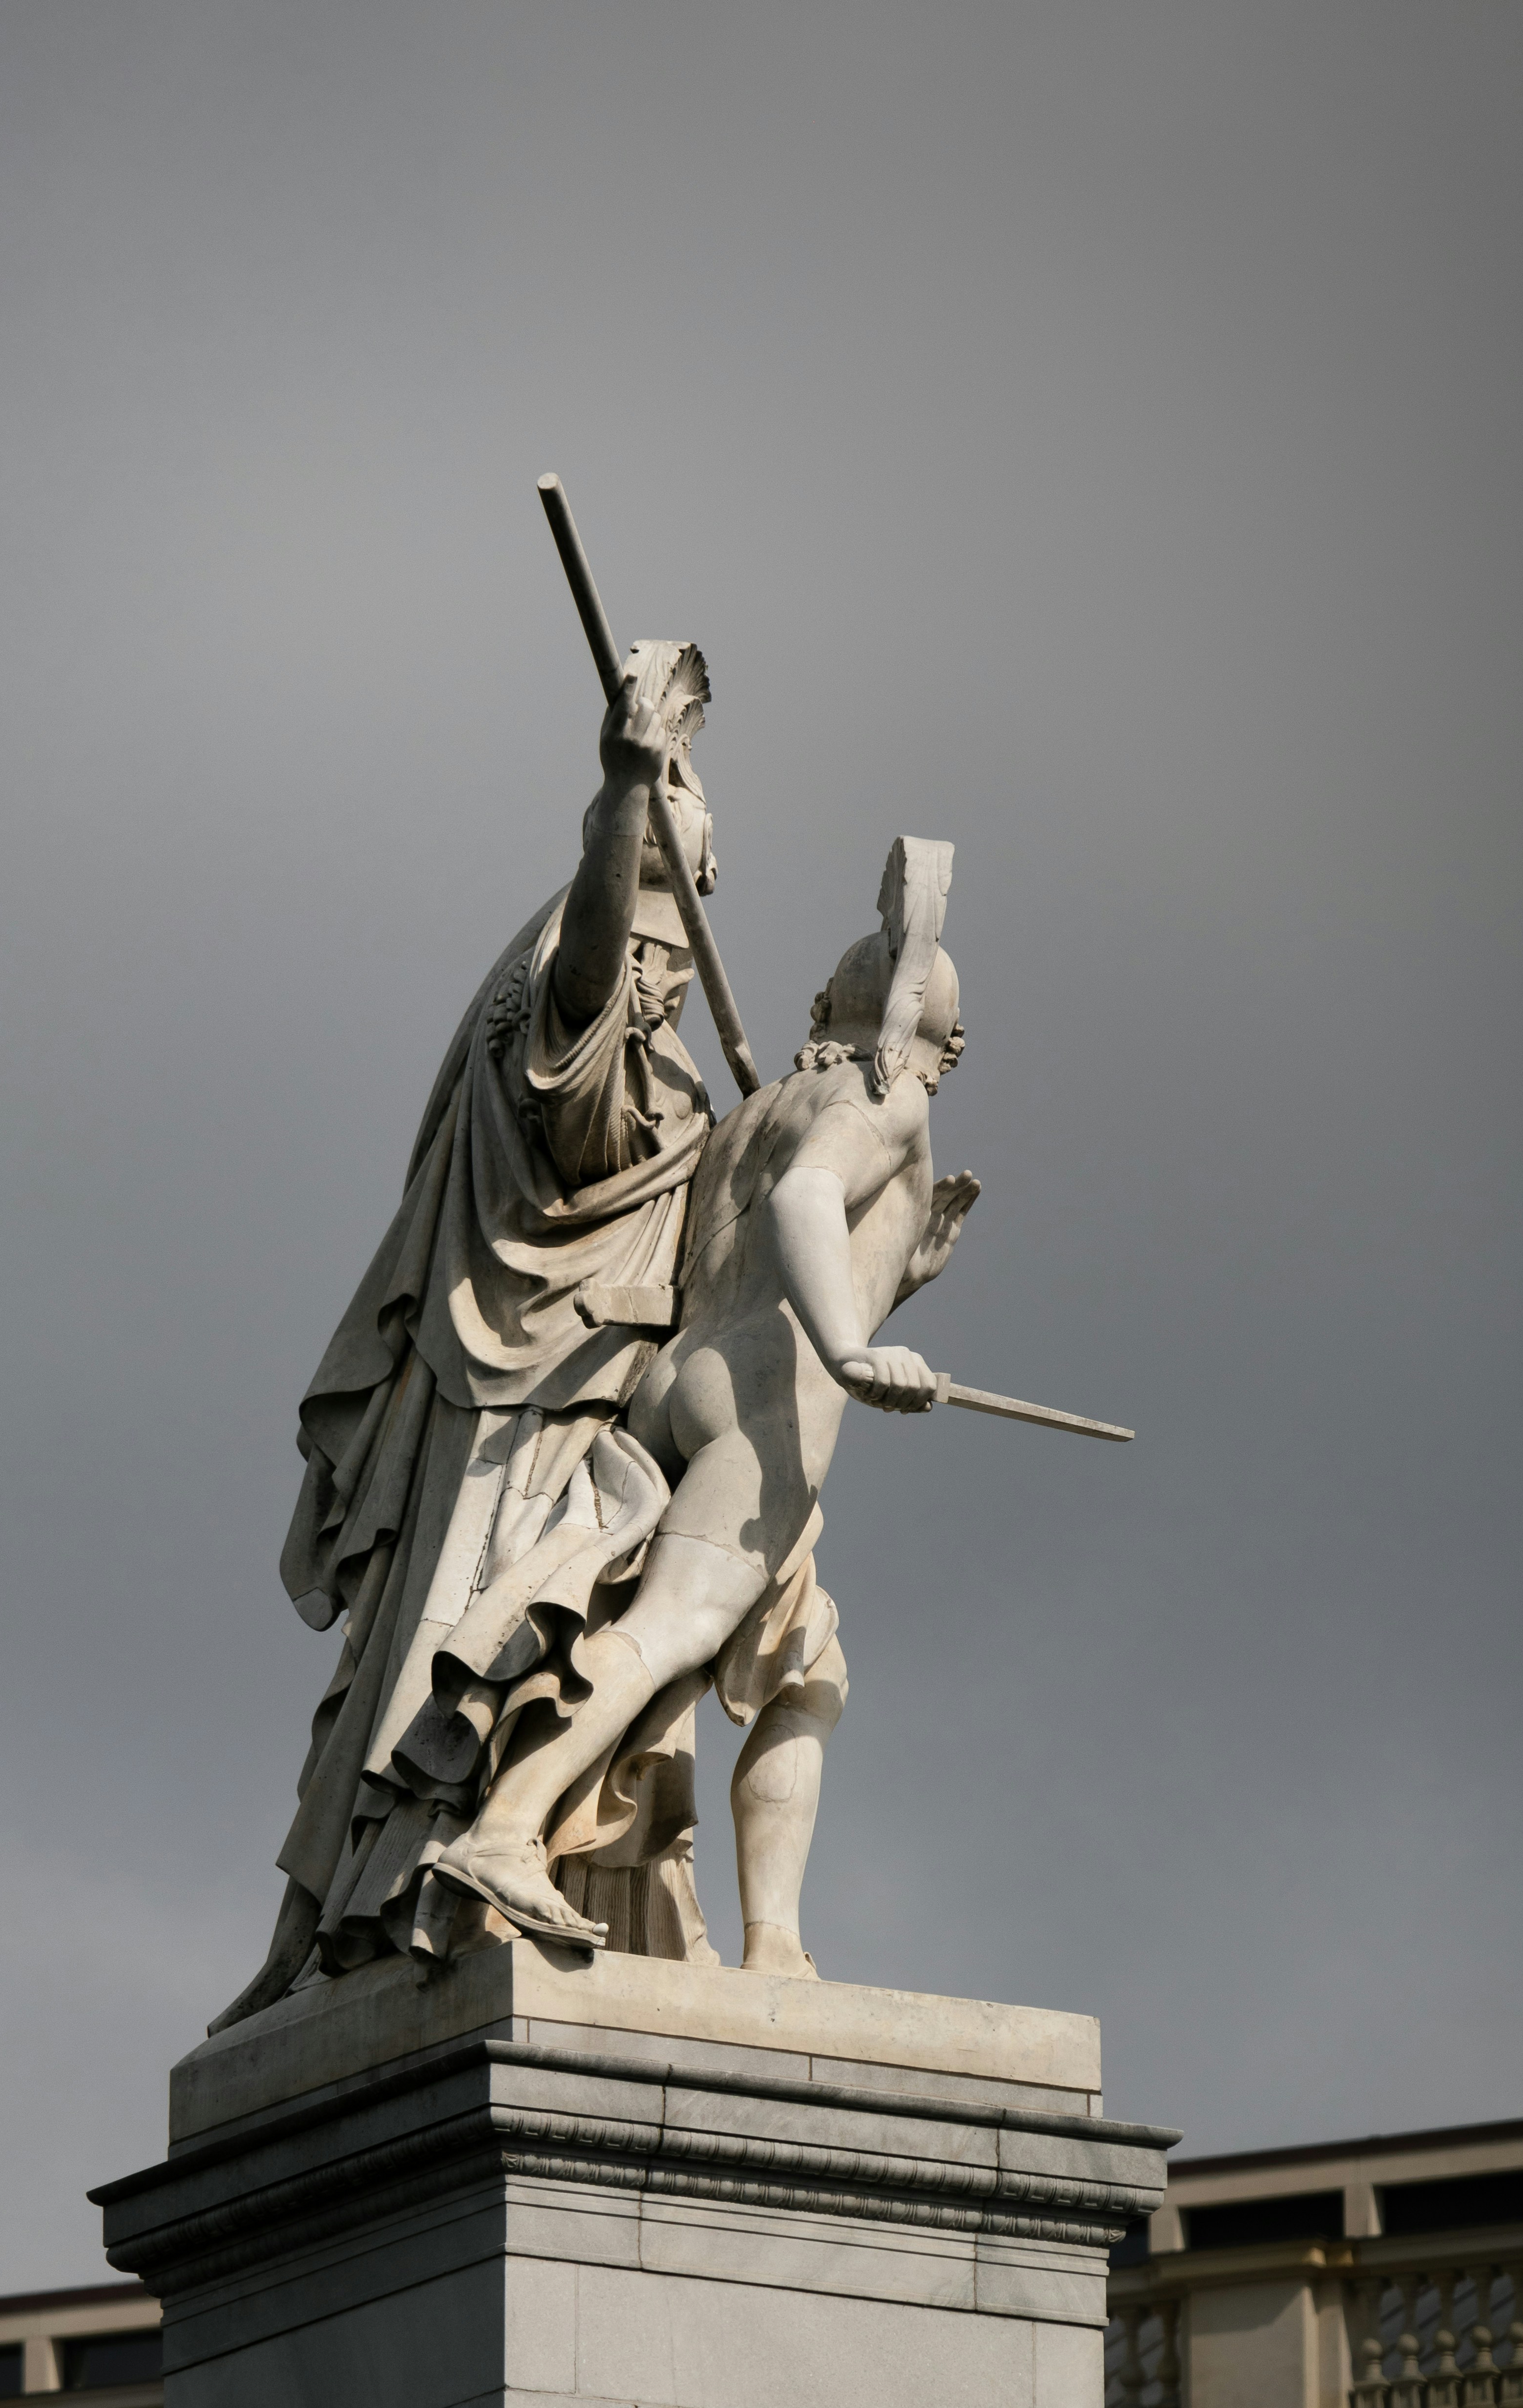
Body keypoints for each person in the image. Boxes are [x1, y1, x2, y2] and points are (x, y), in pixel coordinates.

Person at [214, 644, 725, 2025]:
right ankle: (422, 1891)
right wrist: (625, 794)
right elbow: (593, 969)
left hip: (548, 1400)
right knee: (471, 1657)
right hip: (534, 1412)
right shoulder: (583, 1033)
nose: (685, 958)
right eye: (679, 921)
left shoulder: (636, 1054)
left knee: (453, 1664)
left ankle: (371, 1905)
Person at [434, 837, 977, 1975]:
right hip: (767, 1412)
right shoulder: (891, 1101)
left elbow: (785, 1225)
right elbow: (809, 1199)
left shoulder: (764, 1104)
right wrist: (852, 1348)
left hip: (679, 1389)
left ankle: (775, 1948)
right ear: (946, 1046)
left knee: (807, 1669)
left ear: (828, 1002)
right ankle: (504, 1829)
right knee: (673, 1631)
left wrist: (900, 1274)